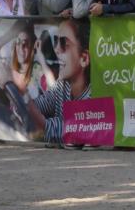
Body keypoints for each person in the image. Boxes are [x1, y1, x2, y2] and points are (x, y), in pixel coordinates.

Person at [28, 18, 91, 147]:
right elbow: (43, 104)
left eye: (63, 43)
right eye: (56, 41)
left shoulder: (93, 94)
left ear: (84, 58)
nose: (56, 49)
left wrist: (11, 88)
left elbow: (64, 127)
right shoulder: (62, 84)